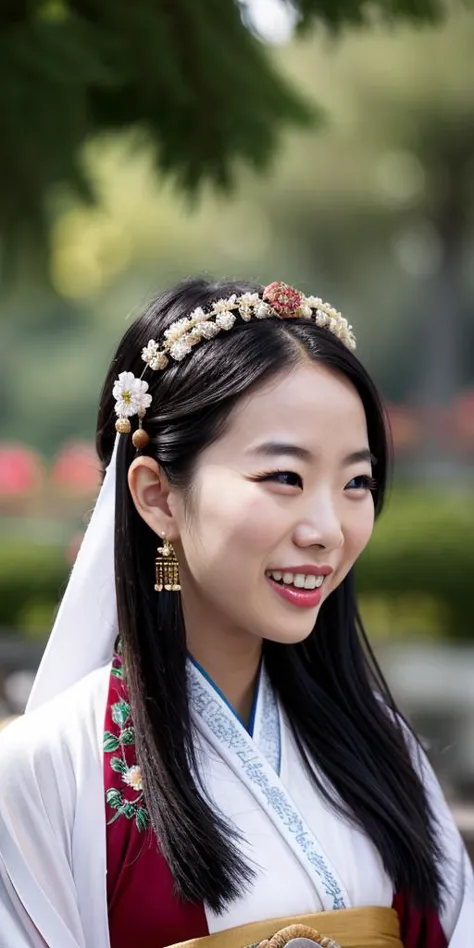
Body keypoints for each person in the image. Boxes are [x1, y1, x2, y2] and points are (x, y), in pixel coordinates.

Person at [0, 278, 472, 948]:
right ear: (157, 495)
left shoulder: (386, 751)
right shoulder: (47, 770)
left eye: (356, 483)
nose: (328, 529)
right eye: (284, 477)